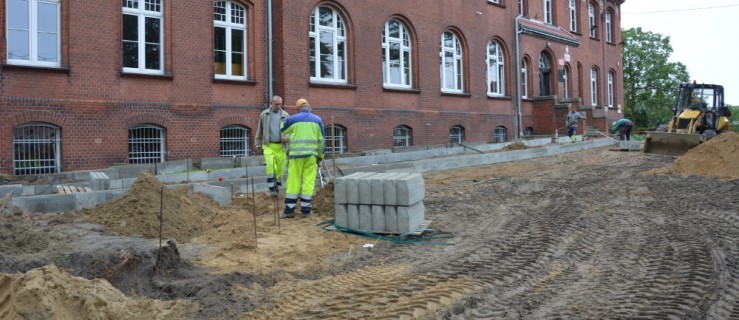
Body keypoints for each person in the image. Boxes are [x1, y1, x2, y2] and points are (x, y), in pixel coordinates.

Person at [280, 98, 325, 218]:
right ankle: (306, 210)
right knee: (308, 181)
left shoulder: (292, 119)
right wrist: (320, 156)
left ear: (297, 108)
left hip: (295, 157)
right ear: (309, 107)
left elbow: (282, 129)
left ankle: (289, 210)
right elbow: (321, 141)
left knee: (293, 181)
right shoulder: (317, 120)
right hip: (311, 156)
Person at [254, 95, 290, 195]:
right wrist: (257, 143)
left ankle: (277, 186)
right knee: (270, 165)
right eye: (276, 104)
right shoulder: (264, 115)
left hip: (281, 146)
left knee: (280, 168)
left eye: (280, 104)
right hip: (268, 145)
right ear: (271, 104)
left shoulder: (285, 115)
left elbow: (291, 130)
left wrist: (287, 137)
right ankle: (271, 188)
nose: (278, 106)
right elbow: (259, 129)